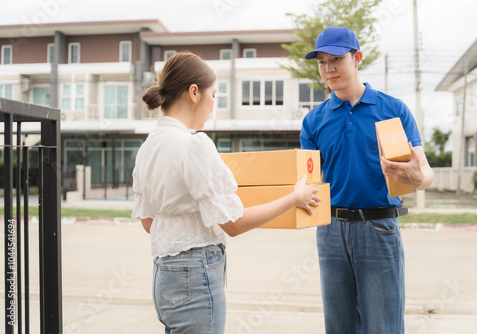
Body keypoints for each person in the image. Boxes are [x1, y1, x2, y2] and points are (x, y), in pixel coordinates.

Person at [132, 51, 321, 334]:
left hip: (164, 276)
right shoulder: (194, 144)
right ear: (193, 93)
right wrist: (295, 198)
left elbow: (150, 224)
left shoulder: (147, 148)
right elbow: (234, 224)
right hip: (195, 276)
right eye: (214, 95)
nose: (212, 106)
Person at [300, 27, 434, 334]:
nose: (328, 69)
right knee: (339, 325)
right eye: (321, 62)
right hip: (330, 231)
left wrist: (418, 178)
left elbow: (425, 173)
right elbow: (307, 180)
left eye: (336, 59)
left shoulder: (393, 110)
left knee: (382, 325)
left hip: (378, 227)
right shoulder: (313, 121)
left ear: (357, 58)